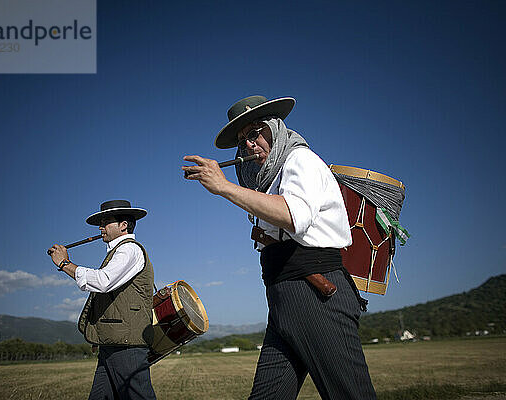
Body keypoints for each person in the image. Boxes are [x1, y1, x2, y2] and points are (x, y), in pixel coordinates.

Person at [182, 95, 376, 399]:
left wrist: (223, 187)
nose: (249, 143)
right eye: (243, 138)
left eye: (256, 132)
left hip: (316, 293)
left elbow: (292, 216)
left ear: (275, 127)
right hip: (283, 296)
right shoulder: (267, 180)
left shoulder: (301, 160)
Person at [48, 199, 157, 400]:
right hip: (113, 342)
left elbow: (102, 281)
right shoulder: (119, 251)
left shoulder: (129, 249)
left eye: (106, 222)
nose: (101, 227)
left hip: (127, 344)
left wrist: (65, 264)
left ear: (123, 225)